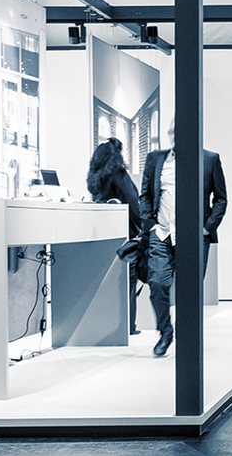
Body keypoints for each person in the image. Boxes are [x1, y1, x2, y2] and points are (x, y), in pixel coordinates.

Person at [140, 117, 228, 357]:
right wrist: (150, 224)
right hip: (162, 233)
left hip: (195, 236)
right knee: (157, 284)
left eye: (178, 132)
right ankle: (166, 332)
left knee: (191, 291)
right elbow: (145, 194)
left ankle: (188, 337)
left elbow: (220, 198)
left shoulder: (210, 160)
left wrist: (208, 227)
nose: (174, 137)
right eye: (171, 132)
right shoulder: (156, 159)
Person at [87, 138, 142, 335]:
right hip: (124, 233)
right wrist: (144, 227)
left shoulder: (94, 176)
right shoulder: (118, 172)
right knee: (128, 279)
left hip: (103, 234)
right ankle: (129, 326)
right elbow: (133, 201)